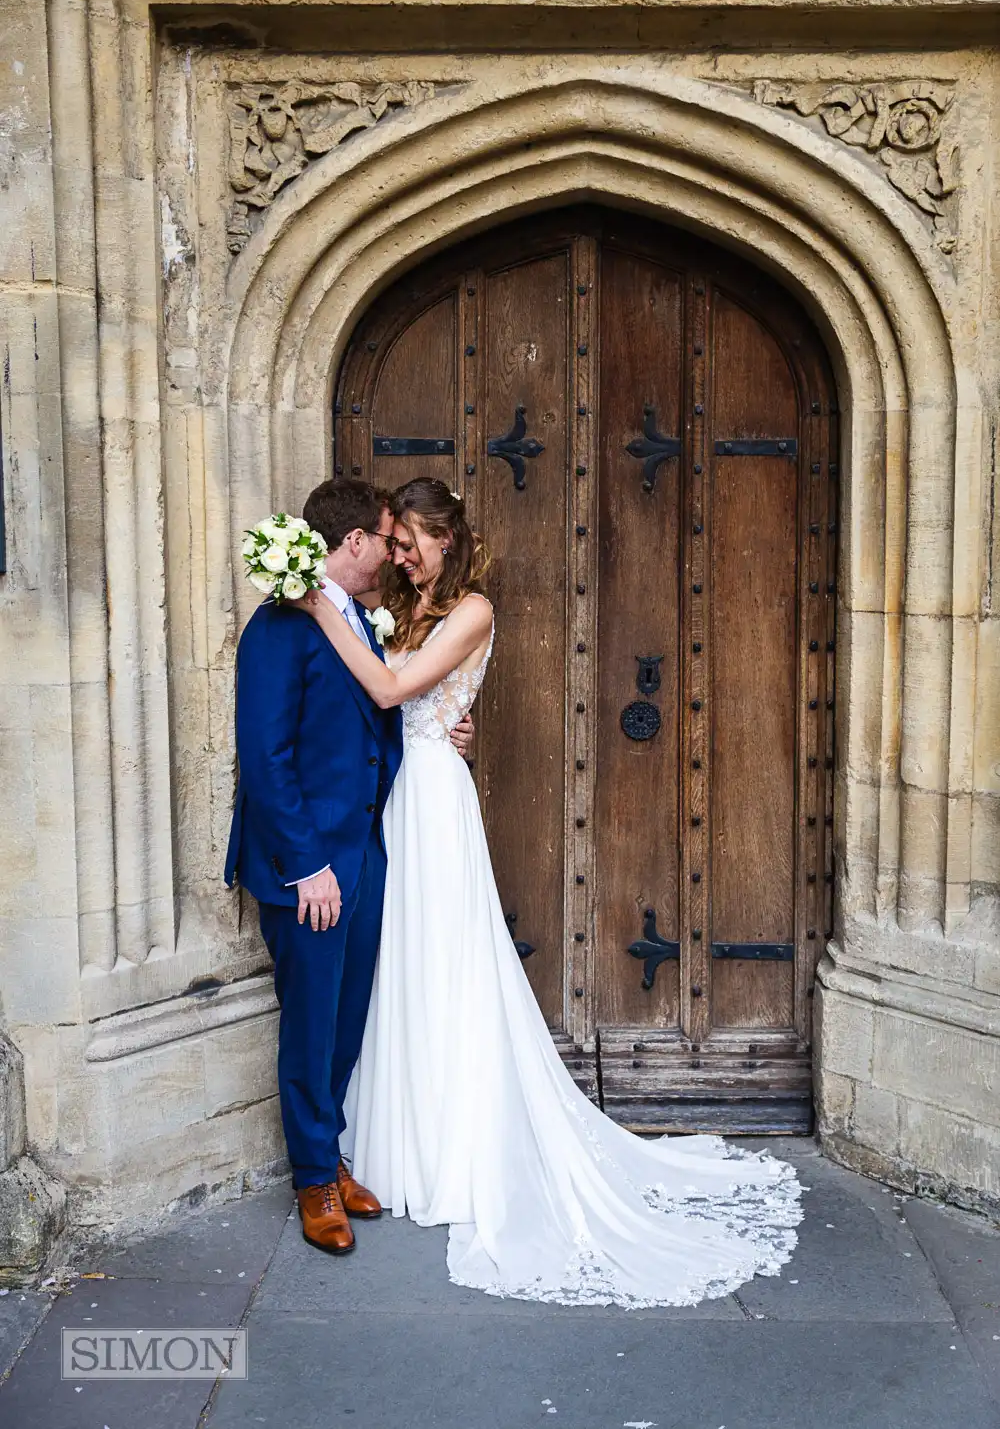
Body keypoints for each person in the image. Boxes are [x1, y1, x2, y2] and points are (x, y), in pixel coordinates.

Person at [290, 476, 803, 1307]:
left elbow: (389, 690)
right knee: (402, 969)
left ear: (444, 539)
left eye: (411, 541)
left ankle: (455, 1146)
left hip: (433, 805)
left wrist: (323, 612)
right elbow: (396, 698)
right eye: (392, 542)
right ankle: (392, 1143)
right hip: (397, 796)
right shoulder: (400, 610)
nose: (397, 553)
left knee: (446, 964)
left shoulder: (473, 611)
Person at [225, 479, 473, 1256]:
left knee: (346, 1019)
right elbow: (264, 760)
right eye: (386, 538)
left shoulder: (365, 622)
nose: (395, 553)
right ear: (356, 542)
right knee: (309, 1022)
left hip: (366, 852)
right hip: (312, 870)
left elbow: (381, 717)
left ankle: (328, 1156)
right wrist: (306, 868)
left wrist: (445, 738)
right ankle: (311, 1181)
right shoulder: (279, 627)